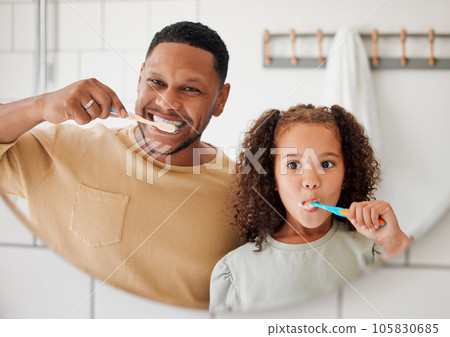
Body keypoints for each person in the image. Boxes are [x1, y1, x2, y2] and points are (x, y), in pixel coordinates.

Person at [0, 21, 242, 310]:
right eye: (157, 82)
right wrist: (38, 107)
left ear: (220, 100)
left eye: (190, 89)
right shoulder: (59, 150)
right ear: (140, 77)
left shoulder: (245, 191)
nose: (167, 103)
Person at [209, 104, 413, 313]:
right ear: (271, 177)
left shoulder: (376, 251)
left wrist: (394, 242)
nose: (311, 181)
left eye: (326, 164)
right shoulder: (235, 273)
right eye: (293, 165)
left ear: (346, 174)